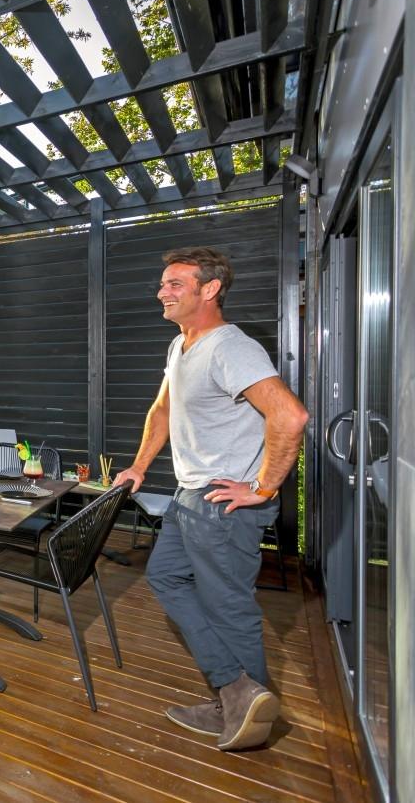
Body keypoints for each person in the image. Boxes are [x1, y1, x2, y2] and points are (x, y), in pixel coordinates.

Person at [112, 247, 308, 751]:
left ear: (210, 289)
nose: (163, 291)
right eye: (163, 283)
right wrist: (138, 466)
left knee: (228, 606)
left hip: (222, 502)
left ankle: (247, 711)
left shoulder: (230, 347)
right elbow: (161, 411)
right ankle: (233, 691)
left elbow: (290, 417)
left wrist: (263, 488)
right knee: (165, 576)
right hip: (189, 494)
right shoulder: (182, 347)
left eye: (176, 283)